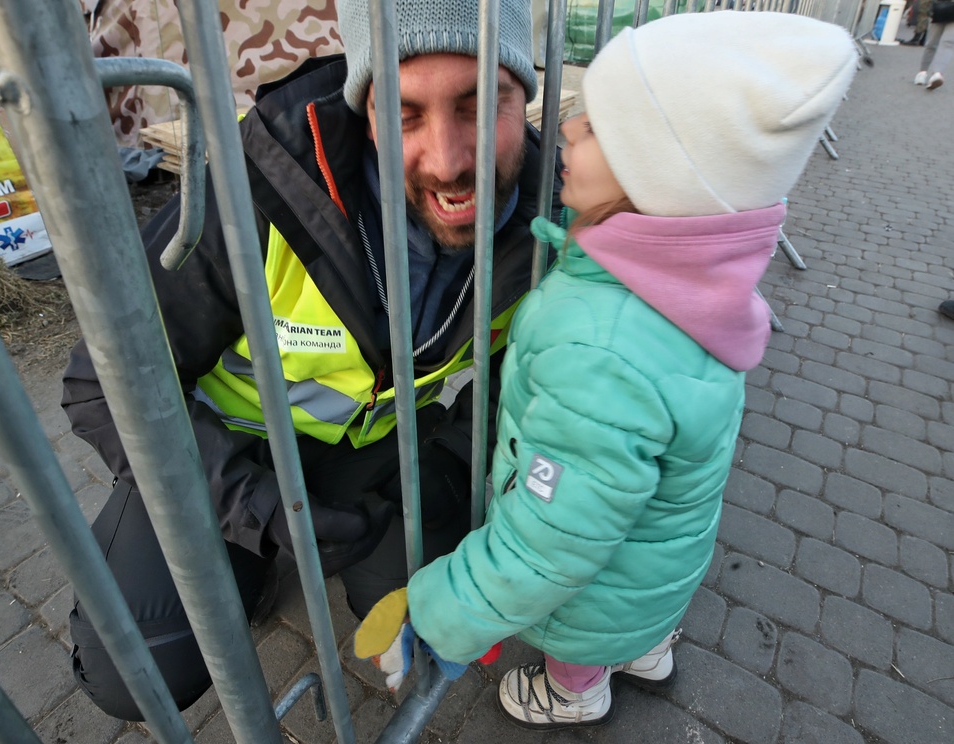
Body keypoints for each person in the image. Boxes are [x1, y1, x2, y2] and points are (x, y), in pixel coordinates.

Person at [60, 0, 561, 721]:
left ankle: (328, 541)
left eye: (482, 104)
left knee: (424, 594)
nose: (450, 161)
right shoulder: (263, 184)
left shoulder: (552, 226)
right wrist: (256, 511)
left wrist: (449, 467)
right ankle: (251, 558)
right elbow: (101, 384)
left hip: (380, 453)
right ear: (364, 109)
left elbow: (527, 389)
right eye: (404, 113)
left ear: (526, 93)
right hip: (221, 449)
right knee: (134, 672)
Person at [377, 10, 855, 730]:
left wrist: (442, 612)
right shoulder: (695, 290)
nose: (566, 128)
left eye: (598, 127)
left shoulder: (602, 348)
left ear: (660, 174)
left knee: (584, 630)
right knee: (633, 598)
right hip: (652, 567)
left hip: (597, 591)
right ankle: (645, 649)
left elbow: (550, 543)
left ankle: (577, 690)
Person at [914, 0, 953, 89]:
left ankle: (937, 73)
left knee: (948, 43)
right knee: (932, 43)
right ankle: (923, 72)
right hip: (938, 8)